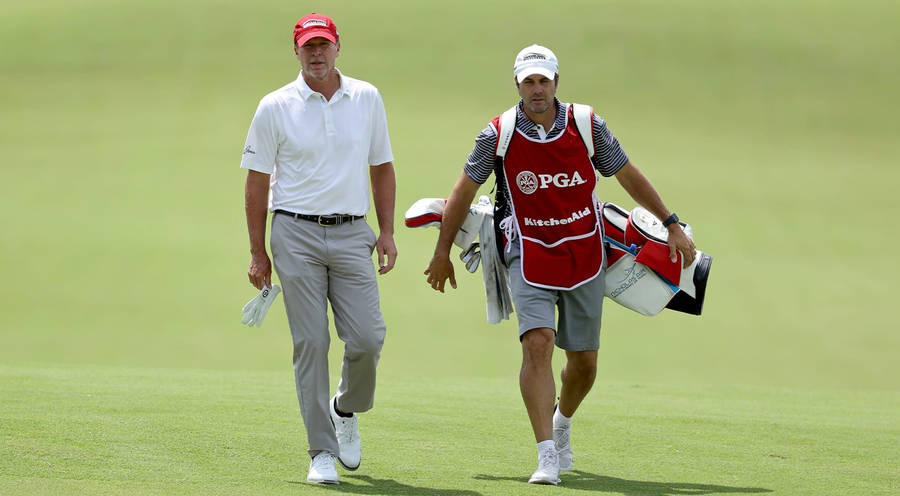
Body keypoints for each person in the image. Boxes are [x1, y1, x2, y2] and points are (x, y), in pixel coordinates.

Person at [424, 44, 695, 485]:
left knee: (584, 363)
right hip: (526, 250)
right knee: (538, 343)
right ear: (517, 84)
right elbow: (464, 190)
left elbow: (626, 173)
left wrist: (671, 224)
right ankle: (546, 453)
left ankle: (562, 422)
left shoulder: (588, 125)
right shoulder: (499, 133)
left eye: (543, 80)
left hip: (585, 251)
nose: (536, 89)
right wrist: (441, 253)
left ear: (556, 82)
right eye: (528, 81)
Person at [240, 13, 397, 485]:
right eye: (308, 46)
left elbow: (382, 166)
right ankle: (320, 450)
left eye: (323, 44)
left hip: (353, 233)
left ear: (337, 47)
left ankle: (344, 407)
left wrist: (386, 231)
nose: (316, 53)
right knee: (311, 342)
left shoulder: (366, 97)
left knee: (368, 338)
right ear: (296, 51)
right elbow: (256, 181)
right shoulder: (274, 106)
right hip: (294, 233)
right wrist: (257, 252)